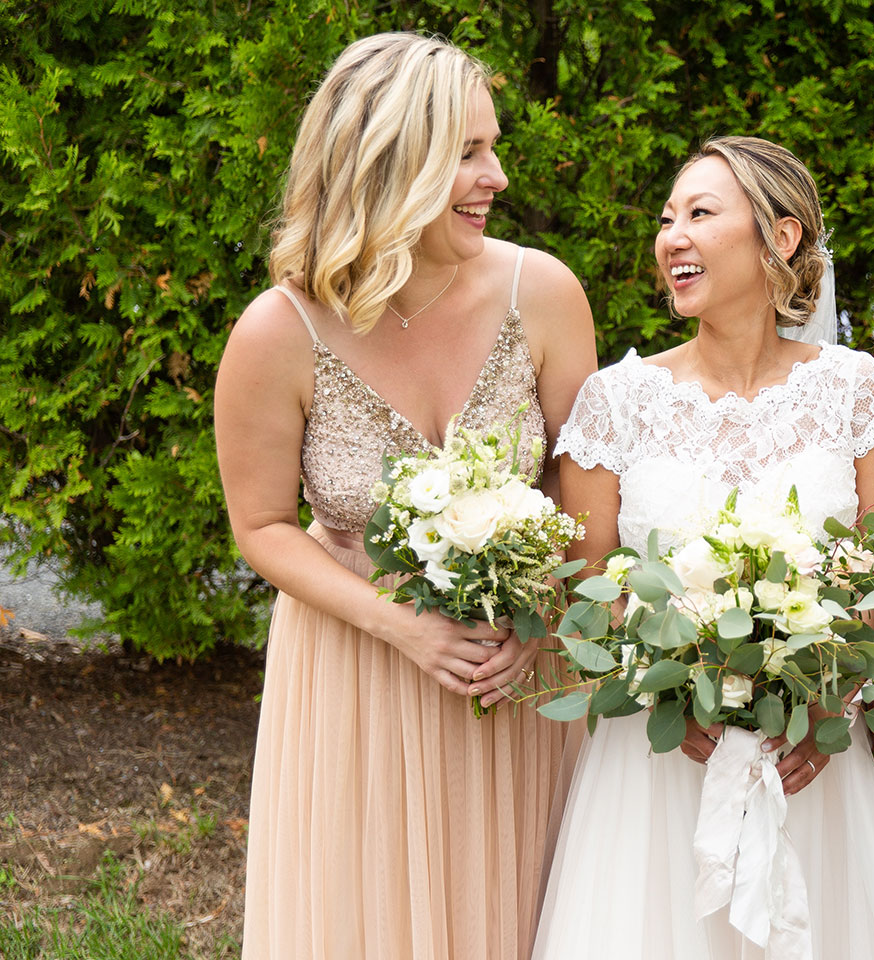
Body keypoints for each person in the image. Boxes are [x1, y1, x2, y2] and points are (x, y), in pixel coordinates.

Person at [214, 32, 596, 959]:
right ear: (390, 162)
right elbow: (261, 525)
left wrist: (538, 623)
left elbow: (583, 498)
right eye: (467, 152)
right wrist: (402, 624)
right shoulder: (280, 330)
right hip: (356, 674)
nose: (496, 175)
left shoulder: (540, 293)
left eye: (492, 146)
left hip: (516, 673)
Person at [531, 136, 874, 959]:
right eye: (667, 218)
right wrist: (666, 705)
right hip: (659, 764)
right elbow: (584, 596)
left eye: (701, 213)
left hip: (812, 758)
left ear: (780, 239)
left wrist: (835, 700)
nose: (672, 235)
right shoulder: (616, 402)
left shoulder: (855, 389)